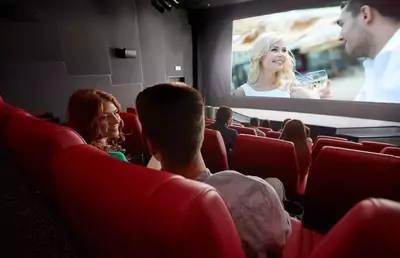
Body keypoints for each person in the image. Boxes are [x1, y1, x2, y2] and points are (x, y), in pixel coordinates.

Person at [136, 83, 291, 258]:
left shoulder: (135, 203)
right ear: (202, 132)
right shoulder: (253, 192)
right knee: (275, 184)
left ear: (149, 143)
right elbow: (279, 242)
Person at [234, 32, 331, 99]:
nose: (281, 54)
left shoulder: (292, 88)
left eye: (284, 50)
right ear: (260, 56)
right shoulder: (242, 93)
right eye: (274, 49)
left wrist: (324, 97)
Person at [338, 0, 400, 103]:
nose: (340, 37)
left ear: (365, 14)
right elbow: (360, 116)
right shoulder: (377, 65)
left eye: (342, 24)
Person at [67, 89, 128, 162]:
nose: (116, 121)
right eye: (105, 117)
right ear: (87, 122)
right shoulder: (115, 157)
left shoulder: (78, 150)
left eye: (115, 112)